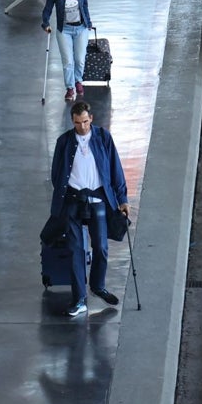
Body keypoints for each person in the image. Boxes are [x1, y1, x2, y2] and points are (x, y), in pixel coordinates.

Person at [49, 101, 130, 317]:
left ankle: (97, 285)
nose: (82, 127)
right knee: (75, 249)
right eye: (77, 123)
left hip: (98, 200)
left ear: (91, 118)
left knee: (101, 247)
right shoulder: (64, 142)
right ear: (72, 121)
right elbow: (56, 174)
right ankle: (79, 299)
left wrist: (123, 198)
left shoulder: (103, 138)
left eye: (85, 121)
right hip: (73, 201)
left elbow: (116, 169)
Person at [41, 0, 92, 101]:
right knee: (68, 62)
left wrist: (89, 23)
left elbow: (85, 6)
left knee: (80, 60)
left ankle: (78, 81)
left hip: (81, 28)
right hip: (64, 30)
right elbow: (47, 9)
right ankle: (70, 88)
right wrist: (45, 24)